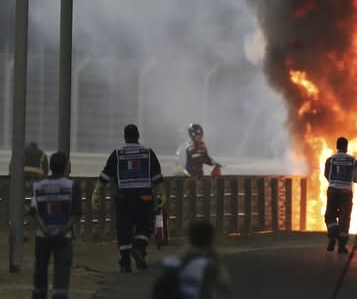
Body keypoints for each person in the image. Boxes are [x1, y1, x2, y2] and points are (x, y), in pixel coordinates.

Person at [91, 124, 167, 273]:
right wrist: (163, 194)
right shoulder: (148, 152)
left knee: (124, 229)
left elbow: (105, 176)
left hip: (123, 198)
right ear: (138, 136)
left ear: (125, 137)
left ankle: (125, 263)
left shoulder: (117, 153)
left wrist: (96, 193)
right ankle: (139, 249)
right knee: (144, 227)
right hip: (144, 198)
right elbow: (157, 177)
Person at [31, 152, 81, 299]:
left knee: (40, 270)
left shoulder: (38, 186)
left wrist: (45, 230)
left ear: (50, 166)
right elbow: (76, 213)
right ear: (66, 167)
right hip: (64, 237)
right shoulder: (72, 186)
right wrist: (63, 230)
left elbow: (35, 212)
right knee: (62, 271)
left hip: (42, 236)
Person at [150, 220, 232, 299]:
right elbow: (226, 287)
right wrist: (219, 260)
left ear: (190, 238)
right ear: (211, 240)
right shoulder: (208, 265)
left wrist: (183, 253)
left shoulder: (174, 263)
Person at [324, 136, 357, 253]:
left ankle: (332, 237)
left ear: (337, 146)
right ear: (346, 147)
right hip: (347, 193)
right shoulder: (353, 160)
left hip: (333, 190)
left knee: (330, 215)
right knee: (345, 218)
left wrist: (334, 182)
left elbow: (326, 174)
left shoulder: (330, 159)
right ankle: (342, 245)